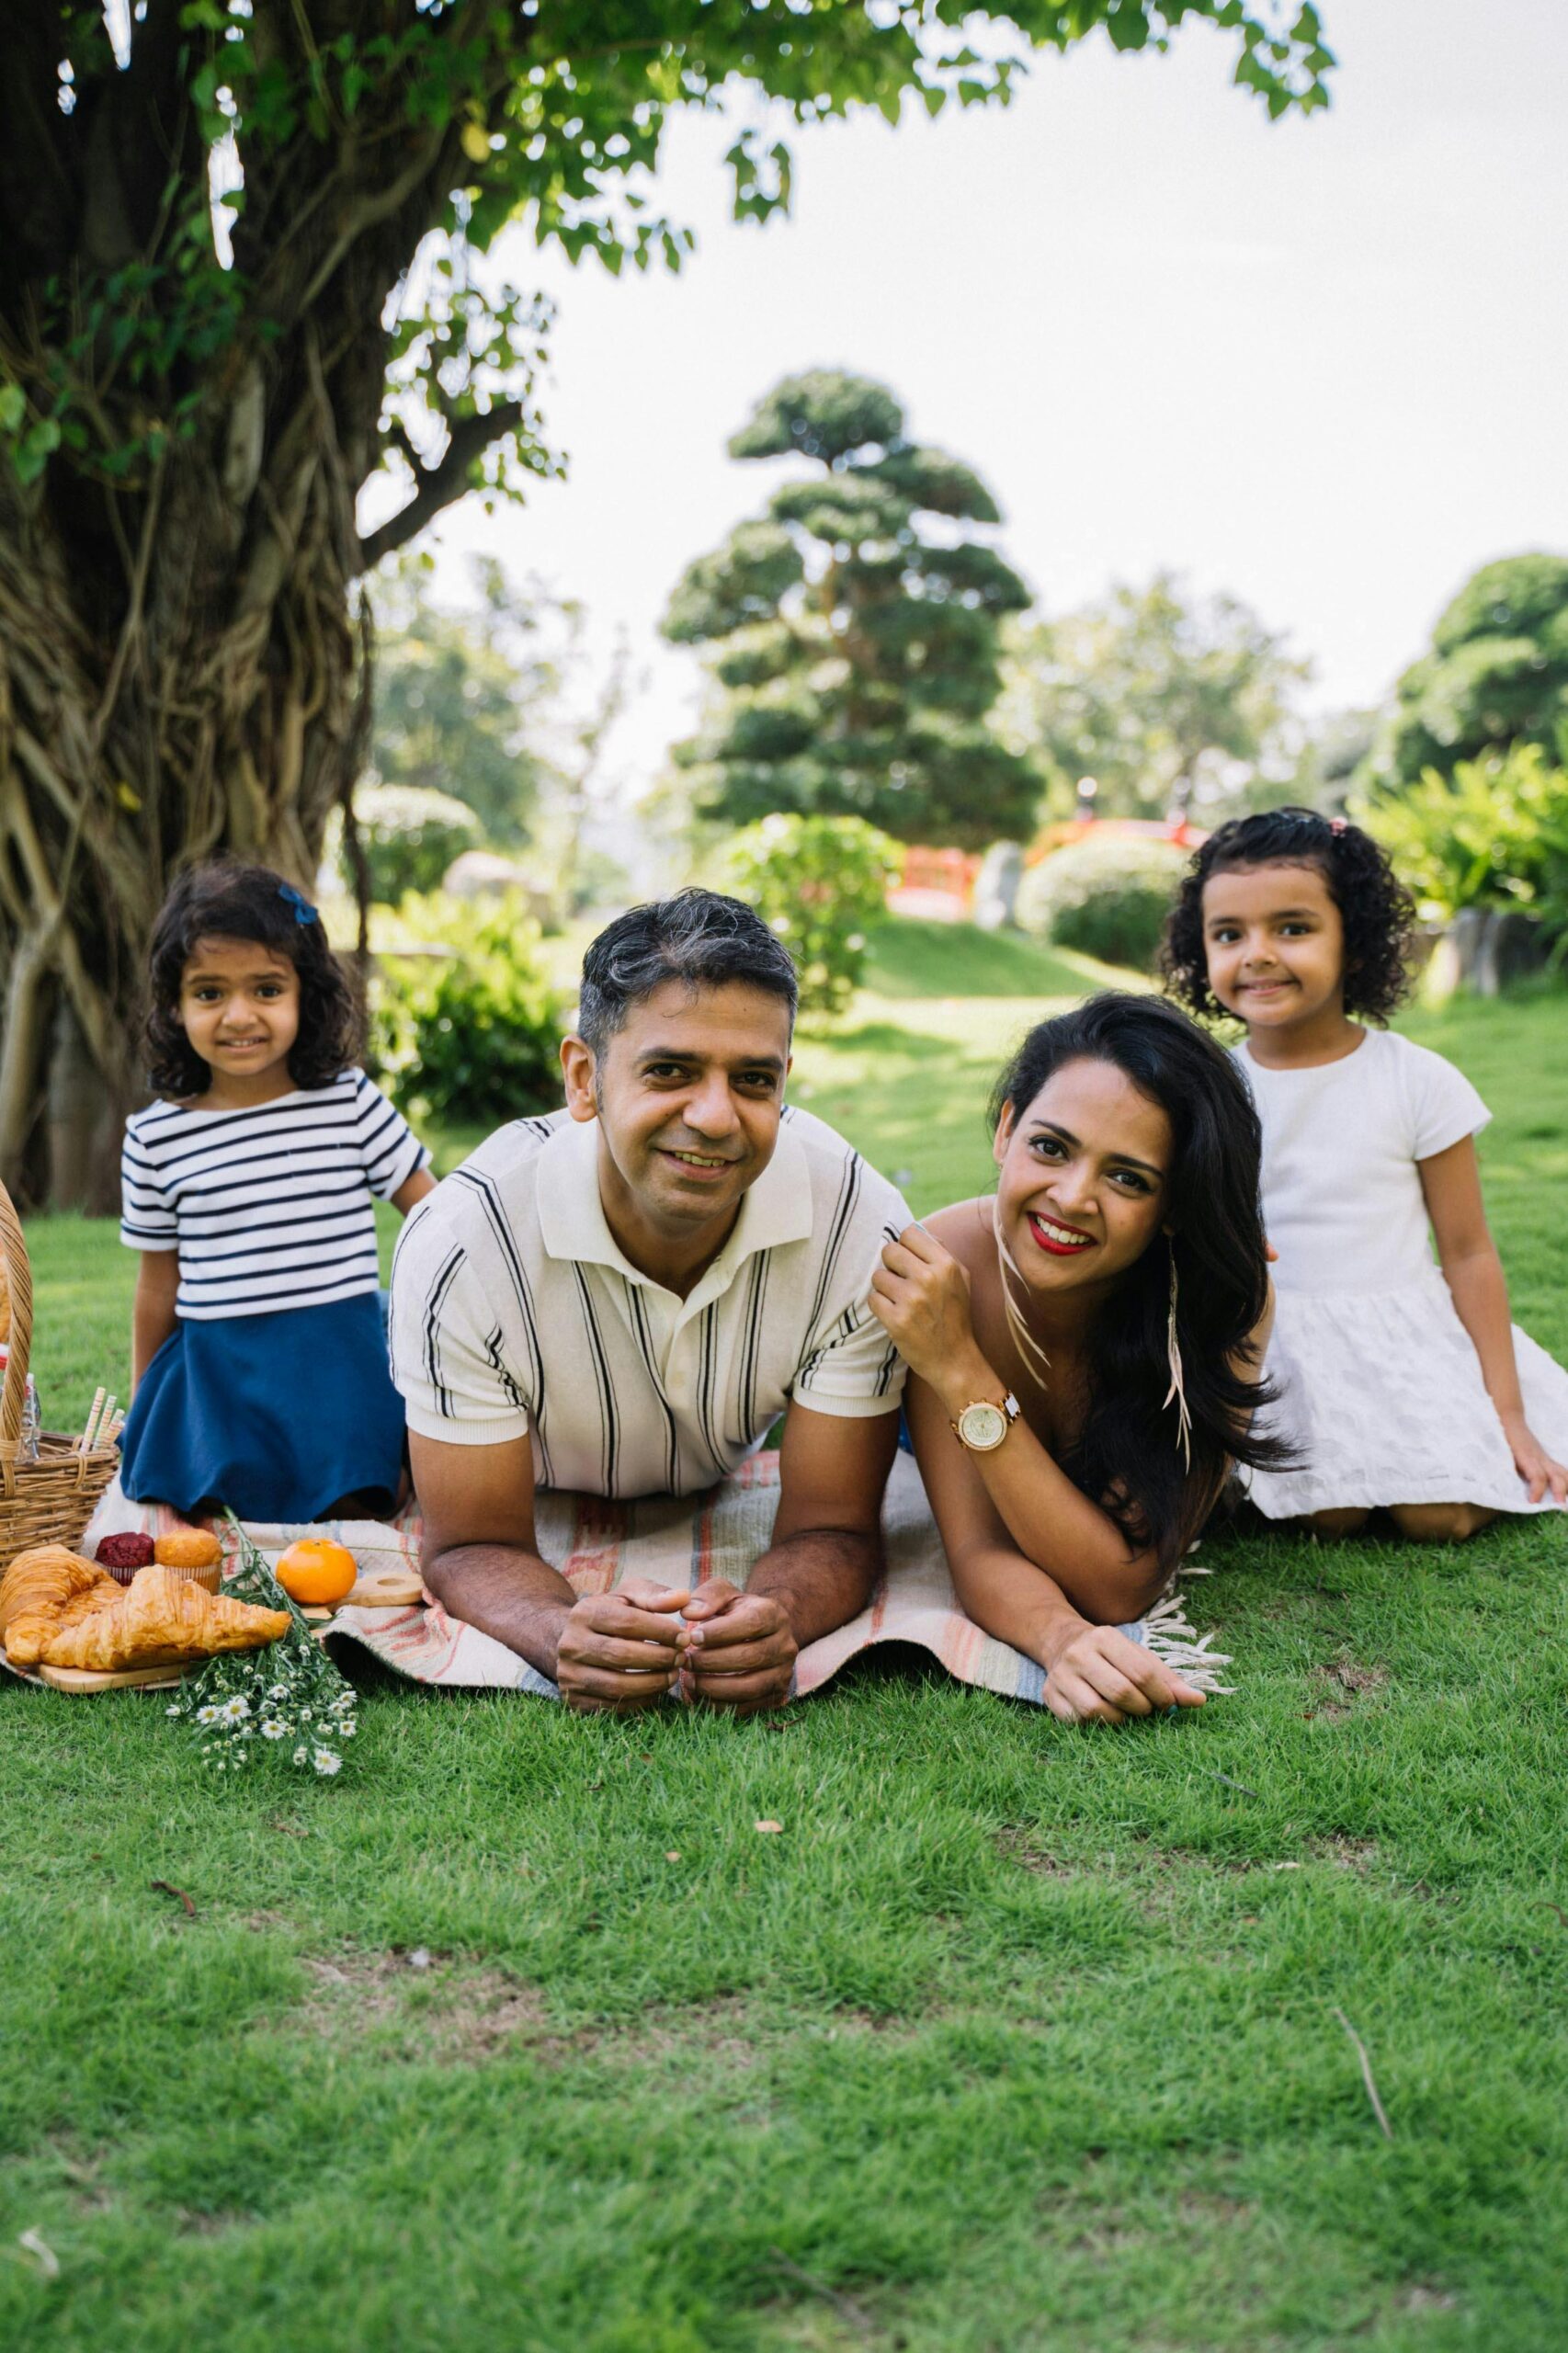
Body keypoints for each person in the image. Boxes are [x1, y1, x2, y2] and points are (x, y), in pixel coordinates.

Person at [389, 889, 909, 1716]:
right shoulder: (463, 1242)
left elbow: (833, 1531)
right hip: (531, 1473)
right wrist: (562, 1631)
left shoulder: (860, 1226)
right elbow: (470, 1542)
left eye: (753, 1080)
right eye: (670, 1071)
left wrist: (776, 1618)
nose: (714, 1117)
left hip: (712, 1469)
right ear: (585, 1078)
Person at [868, 992, 1283, 1728]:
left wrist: (963, 1372)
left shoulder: (1219, 1300)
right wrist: (1063, 1642)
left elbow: (1121, 1585)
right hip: (935, 1432)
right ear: (1006, 1130)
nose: (1071, 1197)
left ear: (1176, 1206)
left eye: (1128, 1178)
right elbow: (978, 1547)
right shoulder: (943, 1274)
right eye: (1050, 1147)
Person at [1161, 804, 1568, 1537]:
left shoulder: (1416, 1080)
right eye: (1229, 934)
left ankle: (1458, 1447)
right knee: (1330, 1515)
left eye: (1292, 928)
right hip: (1270, 1339)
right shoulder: (1208, 1088)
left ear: (1355, 941)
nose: (1256, 953)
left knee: (1438, 1517)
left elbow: (1470, 1252)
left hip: (1397, 1331)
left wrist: (1507, 1414)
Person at [118, 859, 435, 1522]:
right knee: (212, 1508)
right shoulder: (156, 1139)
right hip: (224, 1378)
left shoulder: (347, 1103)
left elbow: (437, 1218)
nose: (239, 1016)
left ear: (305, 996)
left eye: (266, 989)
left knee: (358, 1502)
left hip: (337, 1364)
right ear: (175, 1006)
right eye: (209, 993)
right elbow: (157, 1286)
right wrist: (144, 1399)